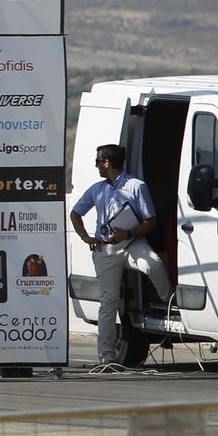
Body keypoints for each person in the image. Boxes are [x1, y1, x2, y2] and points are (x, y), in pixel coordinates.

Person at [70, 144, 174, 372]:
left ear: (106, 163)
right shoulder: (97, 189)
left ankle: (170, 304)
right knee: (109, 301)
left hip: (133, 243)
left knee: (153, 265)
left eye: (98, 161)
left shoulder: (137, 186)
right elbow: (75, 213)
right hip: (105, 249)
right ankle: (107, 357)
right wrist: (85, 237)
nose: (96, 165)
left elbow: (151, 221)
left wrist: (128, 233)